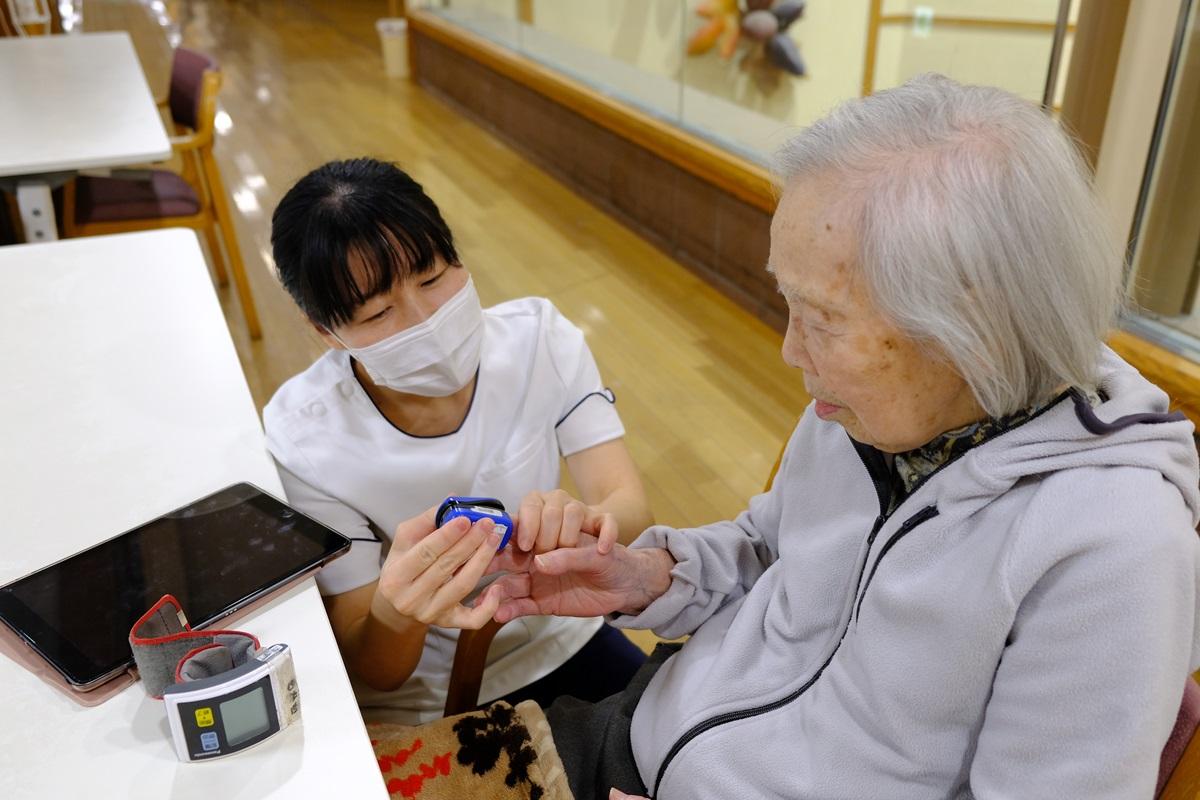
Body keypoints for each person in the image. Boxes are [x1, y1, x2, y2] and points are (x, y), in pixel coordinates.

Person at [471, 74, 1200, 799]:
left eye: (821, 321)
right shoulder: (868, 408)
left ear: (970, 329)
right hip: (642, 728)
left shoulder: (1113, 550)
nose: (792, 352)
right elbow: (769, 554)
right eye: (789, 304)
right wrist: (644, 578)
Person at [263, 158, 653, 724]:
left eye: (432, 278)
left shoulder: (538, 341)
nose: (426, 319)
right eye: (378, 312)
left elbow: (630, 506)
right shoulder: (305, 442)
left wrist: (585, 521)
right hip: (423, 696)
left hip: (558, 631)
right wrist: (401, 608)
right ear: (324, 330)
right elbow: (374, 664)